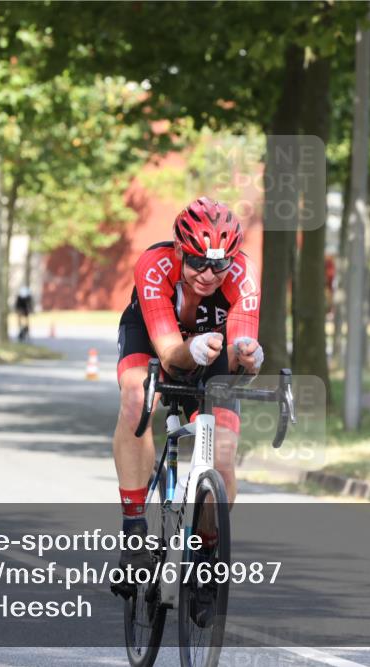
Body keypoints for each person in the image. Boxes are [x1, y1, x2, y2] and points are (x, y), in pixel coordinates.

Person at [113, 196, 263, 574]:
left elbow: (242, 359)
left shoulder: (244, 275)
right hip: (152, 338)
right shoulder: (154, 265)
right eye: (197, 262)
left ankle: (207, 550)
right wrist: (191, 347)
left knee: (224, 455)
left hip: (212, 351)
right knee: (136, 397)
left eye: (219, 265)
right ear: (180, 251)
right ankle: (134, 530)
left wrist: (250, 359)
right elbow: (168, 356)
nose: (209, 275)